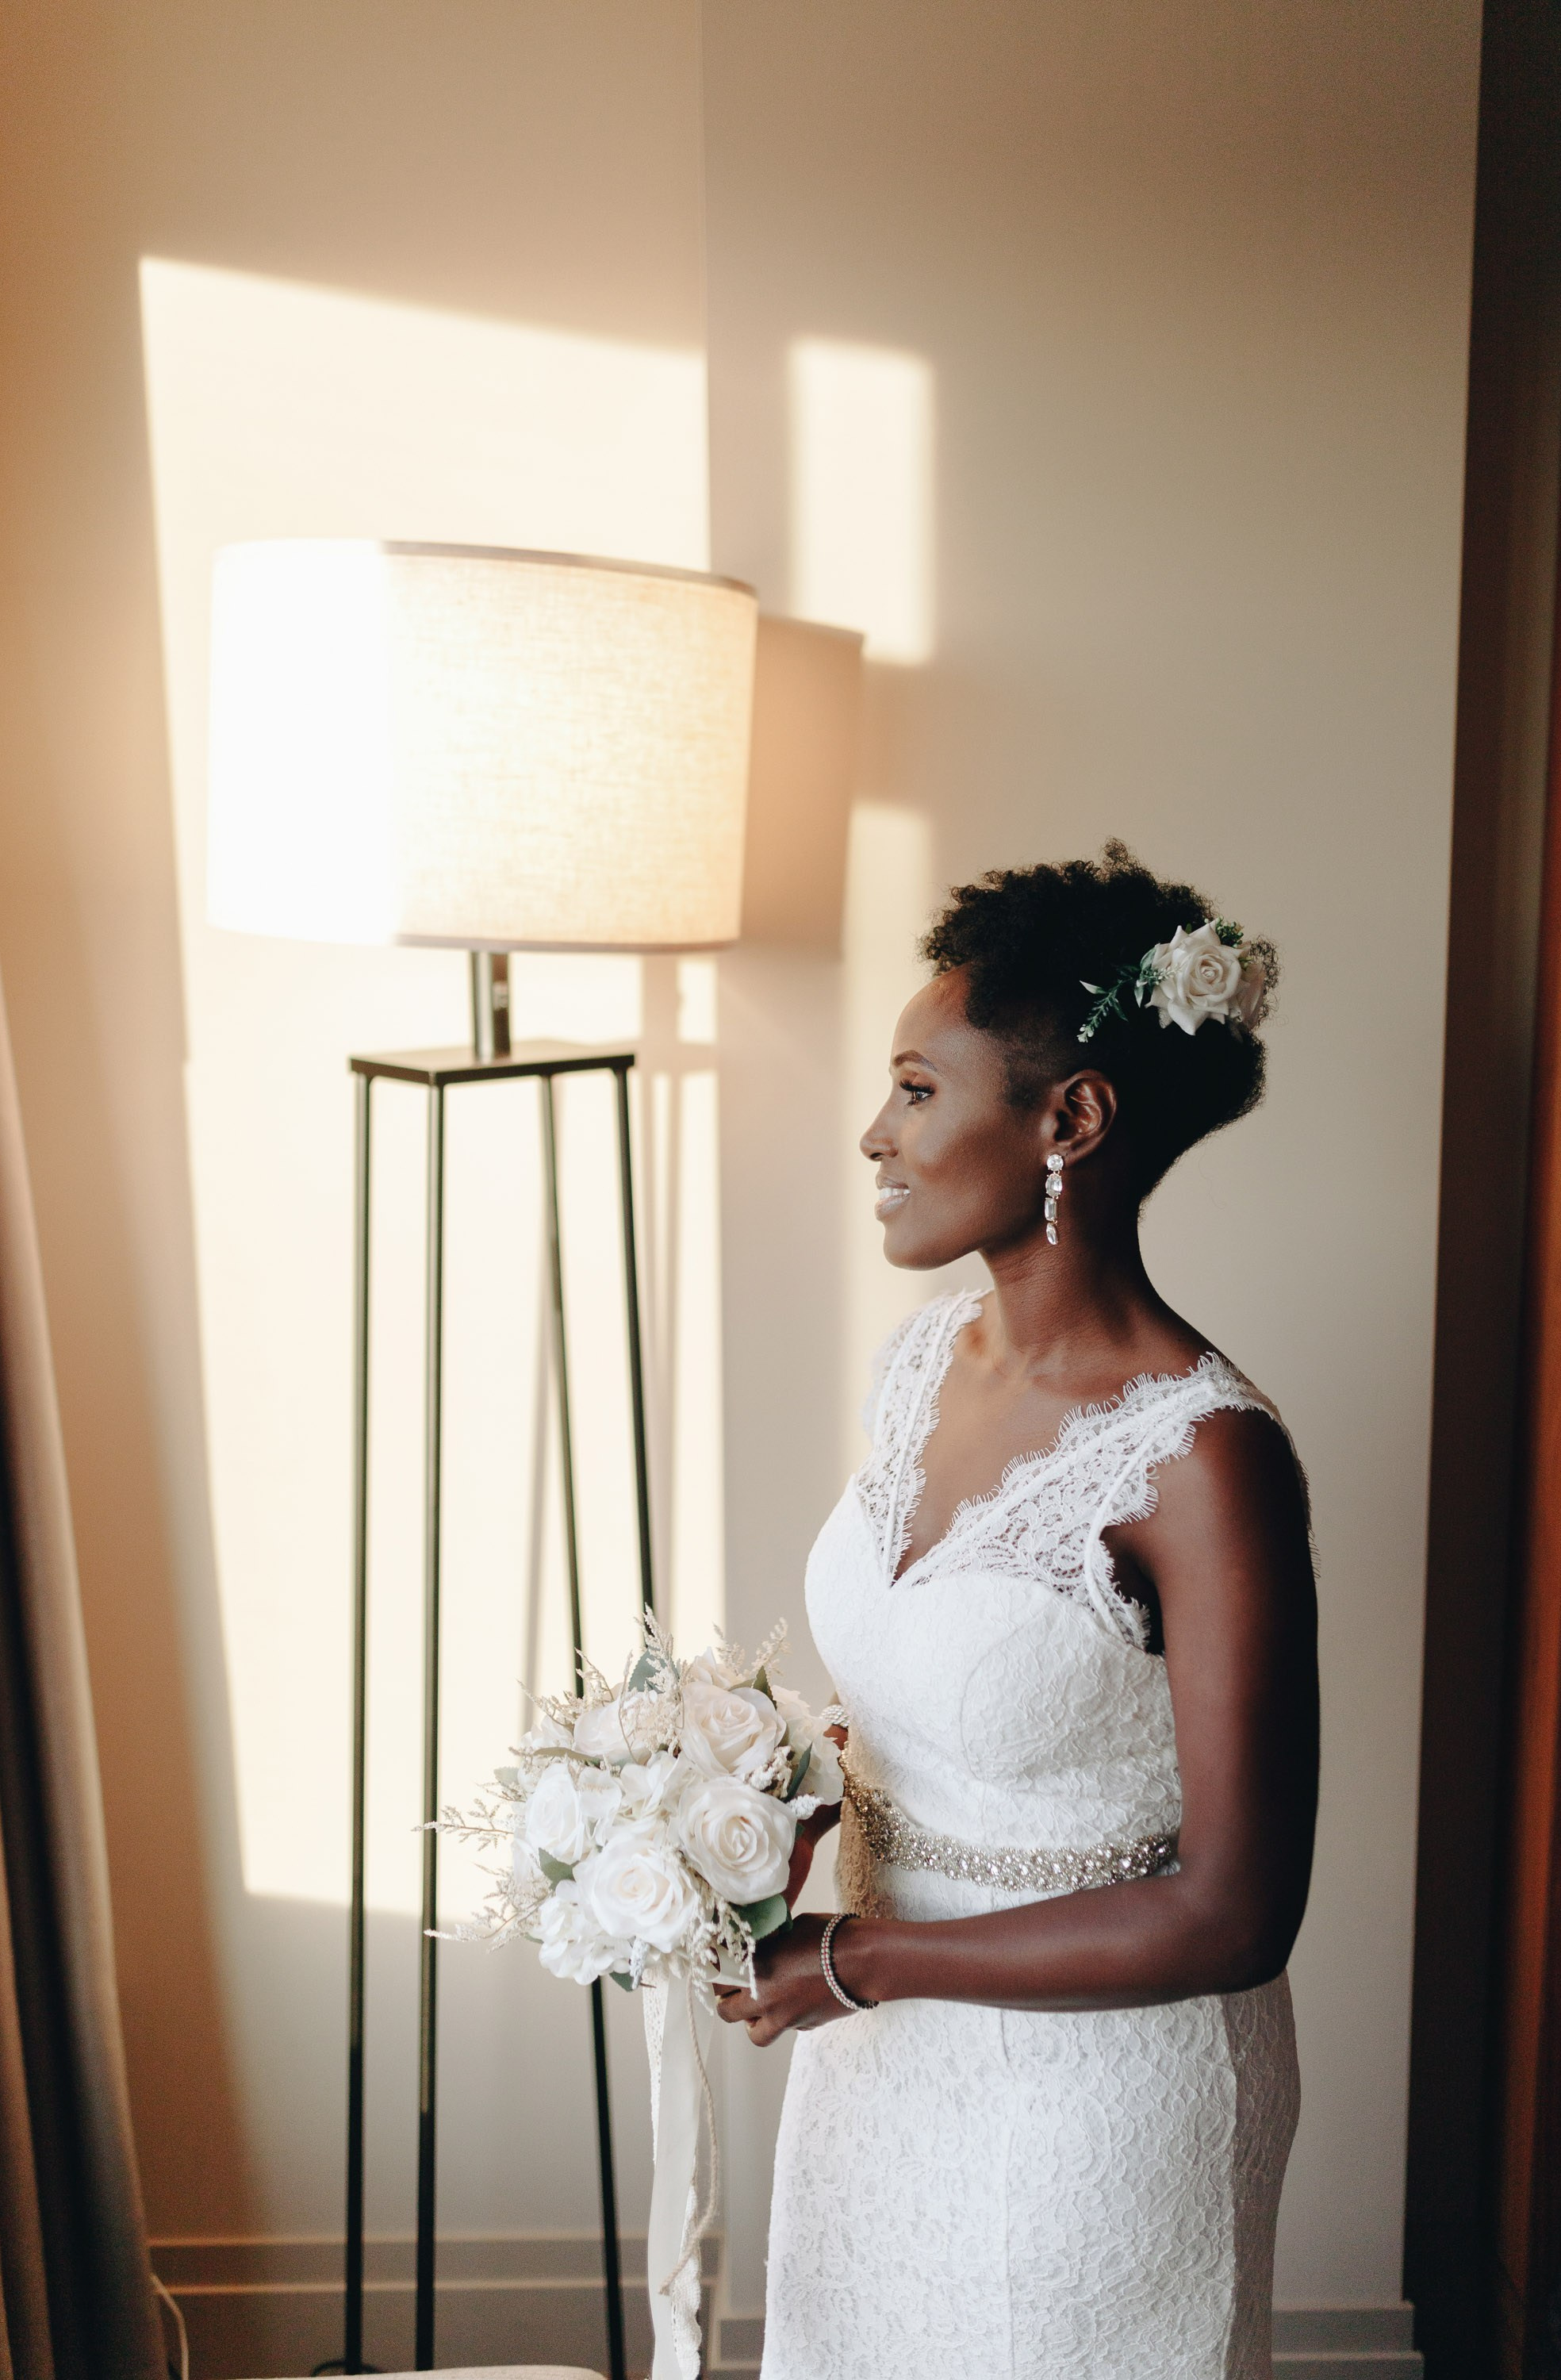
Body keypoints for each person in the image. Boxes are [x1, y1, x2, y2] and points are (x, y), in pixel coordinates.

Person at [713, 843, 1319, 2380]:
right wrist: (752, 1813)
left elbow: (1235, 1914)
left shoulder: (1206, 1461)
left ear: (1071, 1117)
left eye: (917, 1089)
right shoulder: (920, 1362)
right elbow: (918, 1689)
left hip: (1098, 2108)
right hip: (872, 2067)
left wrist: (868, 1962)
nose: (875, 1133)